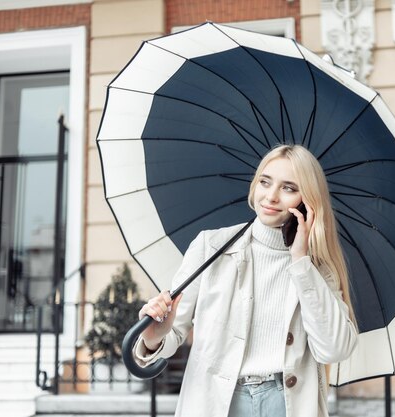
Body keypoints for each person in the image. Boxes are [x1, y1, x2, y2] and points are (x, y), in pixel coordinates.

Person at [134, 144, 358, 417]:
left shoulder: (317, 270)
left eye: (289, 188)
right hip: (217, 402)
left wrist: (301, 261)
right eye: (265, 182)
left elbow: (333, 349)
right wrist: (155, 337)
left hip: (286, 403)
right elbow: (172, 335)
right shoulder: (211, 247)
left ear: (307, 201)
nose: (271, 196)